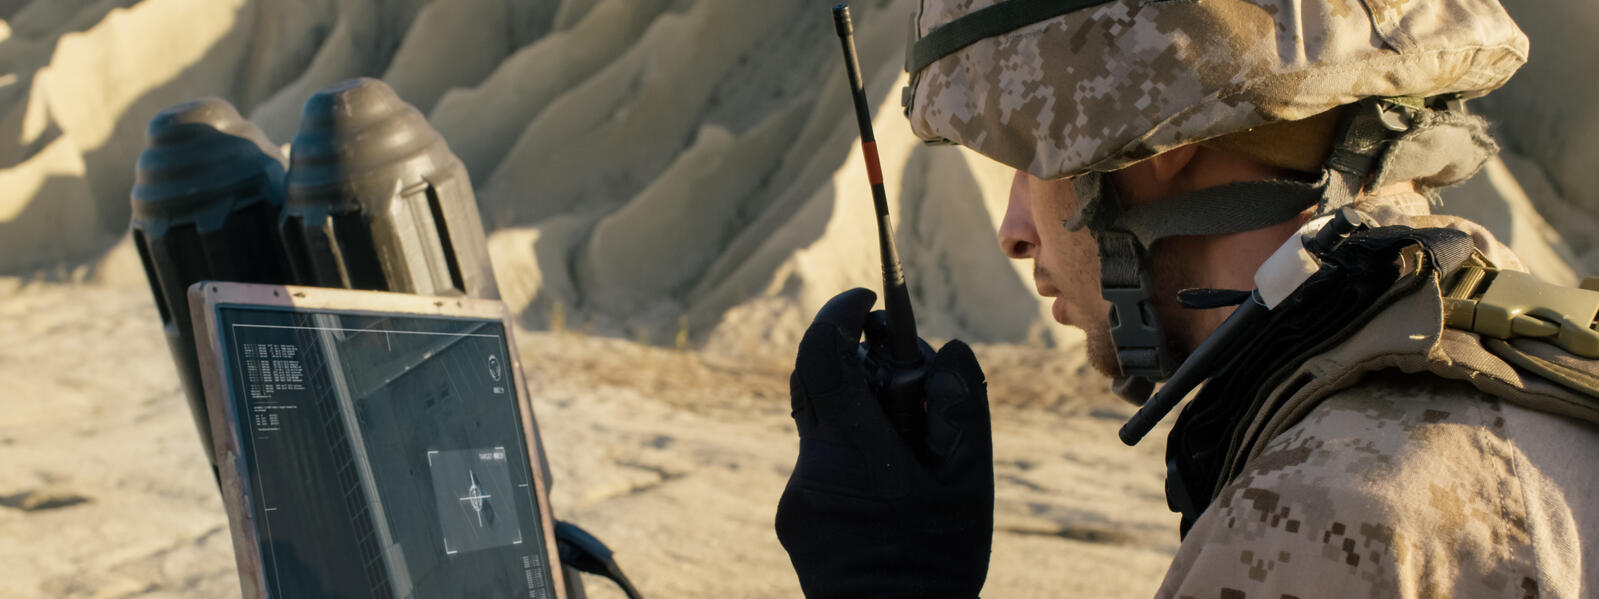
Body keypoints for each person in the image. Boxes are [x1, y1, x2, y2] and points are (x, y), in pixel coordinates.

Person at [776, 0, 1599, 597]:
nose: (1014, 230)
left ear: (1148, 145)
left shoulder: (1331, 512)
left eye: (1027, 159)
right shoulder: (1524, 352)